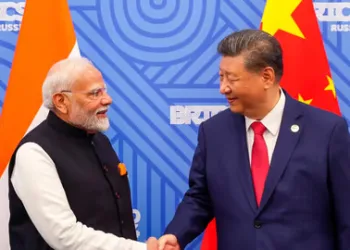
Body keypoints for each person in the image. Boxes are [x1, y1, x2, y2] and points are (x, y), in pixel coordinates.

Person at [158, 29, 350, 250]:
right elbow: (200, 197)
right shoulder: (213, 132)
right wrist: (176, 234)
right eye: (221, 77)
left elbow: (346, 213)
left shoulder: (326, 130)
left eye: (232, 78)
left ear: (266, 77)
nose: (223, 88)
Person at [8, 57, 159, 250]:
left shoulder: (99, 140)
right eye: (95, 93)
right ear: (61, 101)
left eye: (104, 90)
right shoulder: (33, 152)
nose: (107, 99)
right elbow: (64, 236)